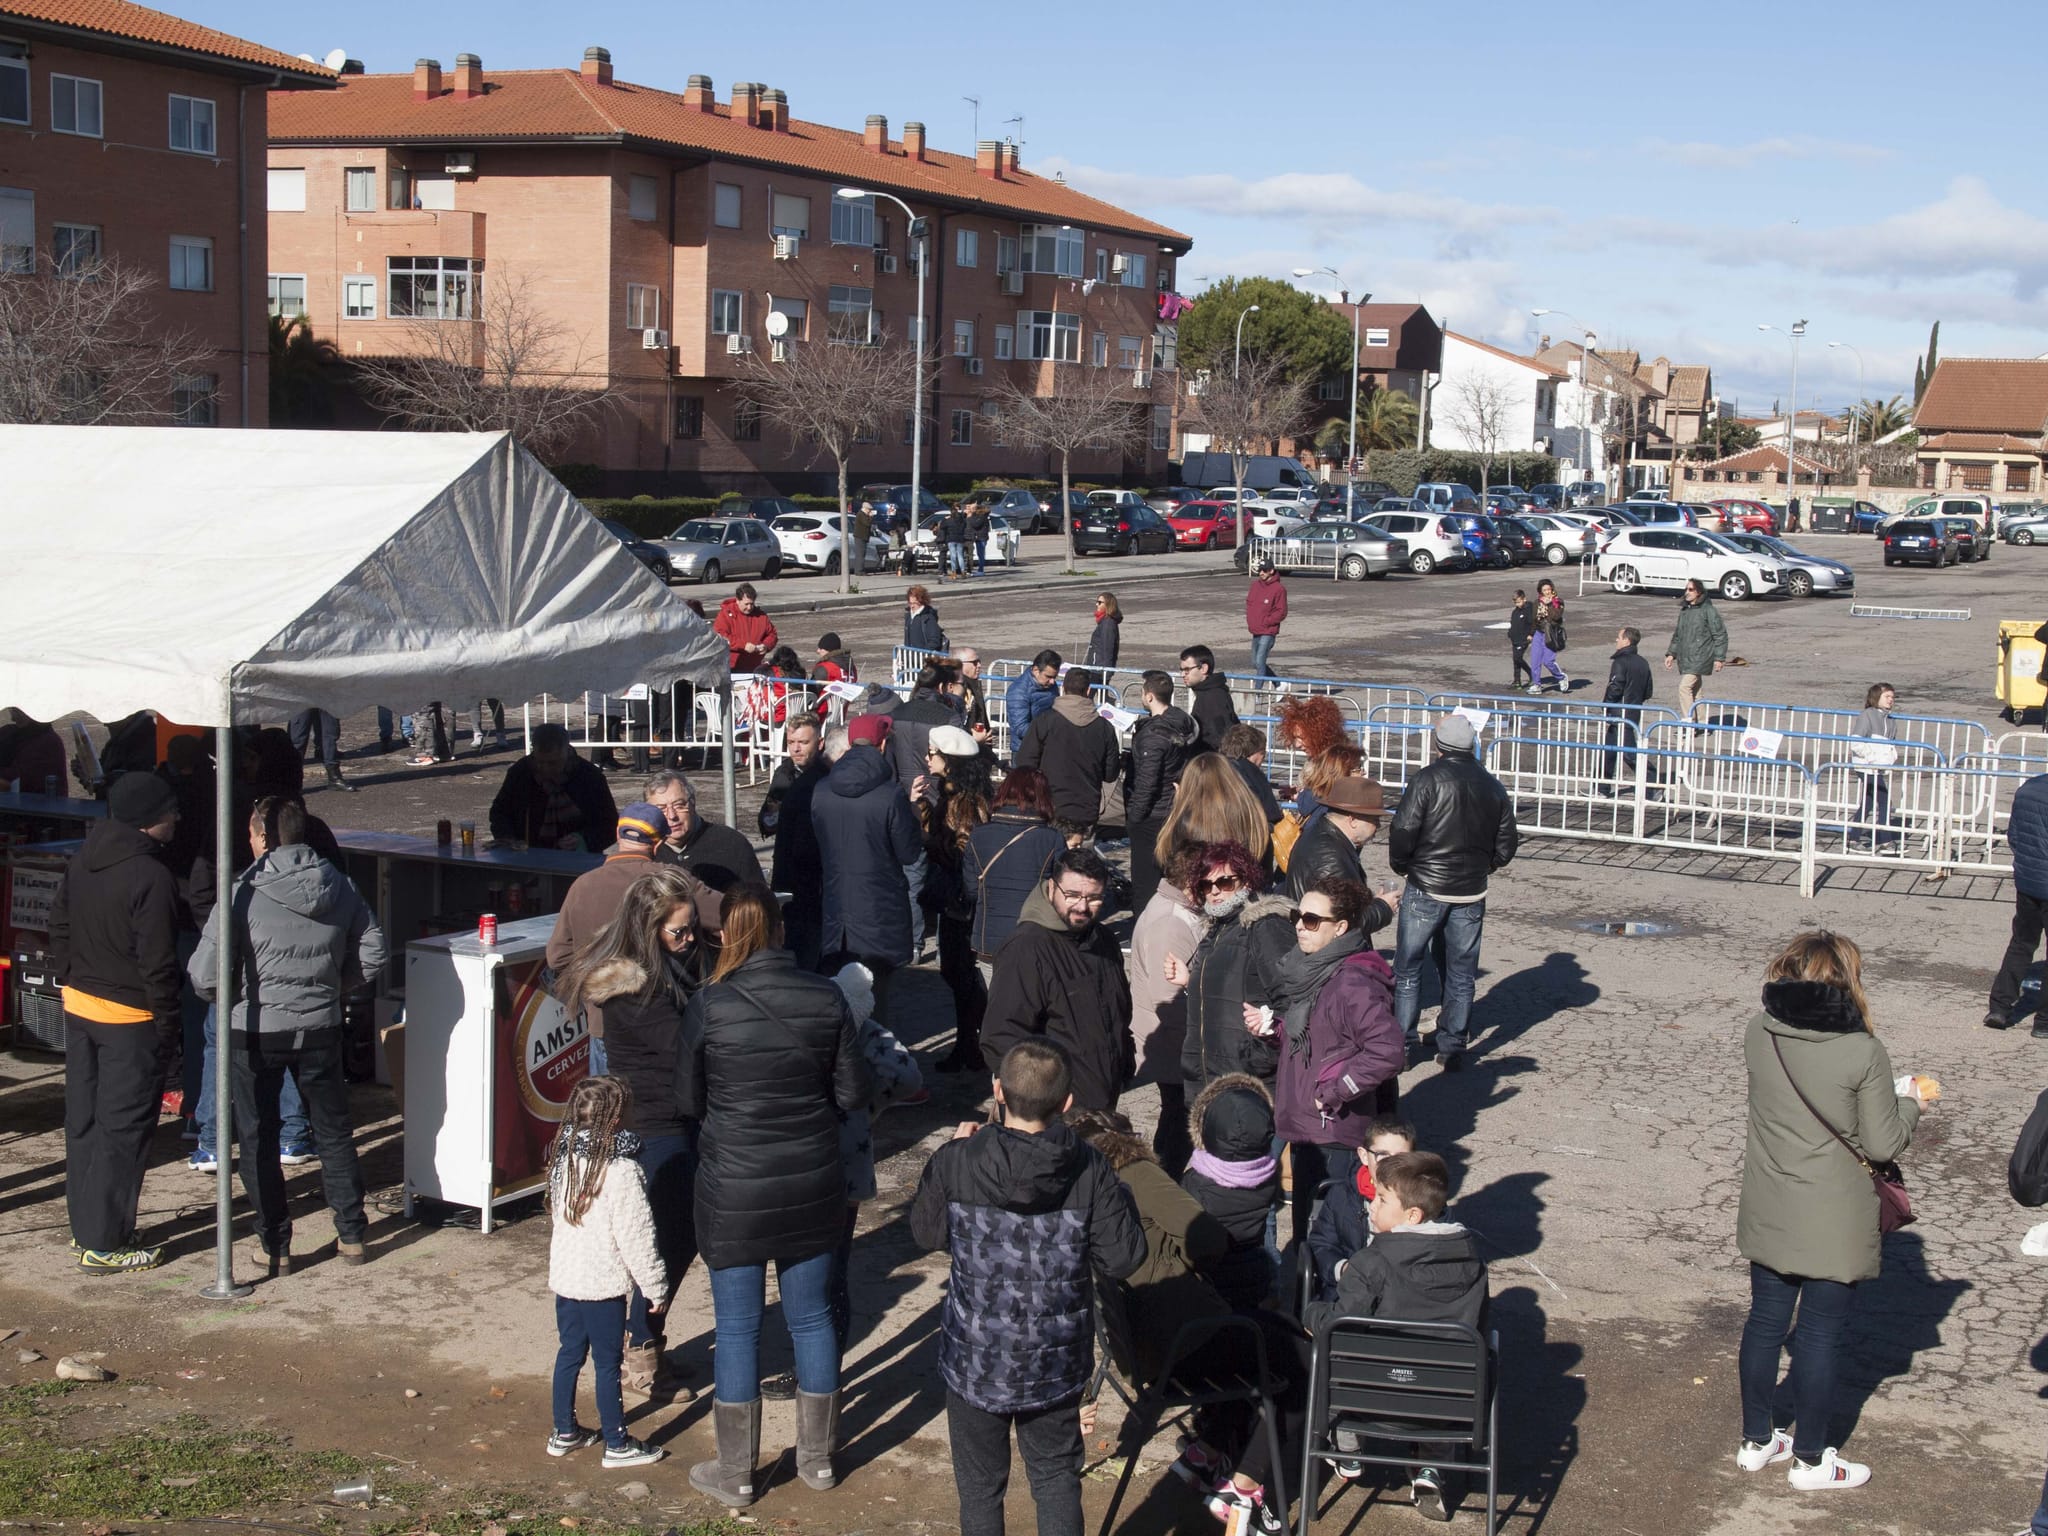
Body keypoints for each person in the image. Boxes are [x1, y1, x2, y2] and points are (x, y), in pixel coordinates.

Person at [678, 883, 872, 1506]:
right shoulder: (826, 996)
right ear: (781, 931)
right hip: (812, 1177)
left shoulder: (709, 1004)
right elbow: (853, 1093)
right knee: (811, 1317)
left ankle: (737, 1472)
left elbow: (688, 1100)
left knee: (737, 1328)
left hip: (733, 1183)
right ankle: (818, 1461)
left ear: (725, 936)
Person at [910, 1041, 1146, 1536]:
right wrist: (1118, 1196)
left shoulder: (958, 1160)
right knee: (1056, 1478)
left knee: (980, 1490)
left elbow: (927, 1234)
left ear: (998, 1091)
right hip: (1055, 1362)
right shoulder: (1089, 1167)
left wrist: (947, 1157)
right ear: (1066, 1102)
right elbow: (1123, 1258)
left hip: (976, 1359)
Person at [1737, 930, 1931, 1492]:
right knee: (1819, 1336)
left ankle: (1756, 1441)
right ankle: (1812, 1460)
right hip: (1834, 1215)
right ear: (1845, 981)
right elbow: (1883, 1143)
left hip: (1770, 1202)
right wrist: (1911, 1102)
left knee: (1765, 1323)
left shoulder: (1760, 1031)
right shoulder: (1862, 1051)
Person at [191, 795, 385, 1273]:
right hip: (320, 1027)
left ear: (261, 837)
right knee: (334, 1132)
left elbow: (204, 974)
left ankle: (275, 1244)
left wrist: (233, 996)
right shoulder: (339, 883)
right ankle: (352, 1234)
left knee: (258, 1138)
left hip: (256, 1029)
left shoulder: (241, 890)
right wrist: (332, 988)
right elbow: (374, 952)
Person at [554, 863, 706, 1399]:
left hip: (673, 1118)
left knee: (675, 1237)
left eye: (691, 928)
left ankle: (645, 1341)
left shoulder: (670, 969)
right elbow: (687, 1050)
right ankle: (639, 1351)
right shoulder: (637, 991)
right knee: (663, 1240)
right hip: (655, 1124)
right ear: (650, 928)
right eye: (680, 931)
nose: (690, 939)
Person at [1298, 1150, 1489, 1522]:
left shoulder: (1372, 1263)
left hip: (1372, 1401)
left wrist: (1311, 1313)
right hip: (1452, 1405)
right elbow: (1479, 1332)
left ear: (1412, 1215)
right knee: (1442, 1363)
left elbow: (1340, 1325)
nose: (1372, 1205)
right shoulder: (1472, 1263)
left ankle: (1347, 1447)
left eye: (1382, 1199)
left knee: (1332, 1354)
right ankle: (1432, 1464)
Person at [52, 772, 186, 1272]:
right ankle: (106, 1242)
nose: (177, 817)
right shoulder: (151, 876)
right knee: (123, 1131)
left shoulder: (84, 857)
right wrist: (168, 1027)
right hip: (131, 1018)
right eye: (170, 810)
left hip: (80, 1006)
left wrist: (70, 975)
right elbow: (158, 963)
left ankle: (88, 1228)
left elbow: (58, 923)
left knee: (84, 1123)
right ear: (149, 818)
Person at [1270, 877, 1404, 1251]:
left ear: (1340, 927)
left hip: (1334, 1132)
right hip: (1307, 1126)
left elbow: (1388, 1050)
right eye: (1297, 916)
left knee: (1325, 1242)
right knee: (1307, 1237)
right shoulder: (1312, 969)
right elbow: (1322, 1038)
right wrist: (1275, 1029)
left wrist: (1336, 1090)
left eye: (1312, 920)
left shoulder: (1353, 982)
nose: (1300, 925)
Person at [545, 1075, 668, 1470]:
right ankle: (617, 1442)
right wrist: (655, 1286)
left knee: (569, 1352)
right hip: (602, 1285)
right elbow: (637, 1235)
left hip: (568, 1278)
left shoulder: (564, 1157)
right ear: (618, 1119)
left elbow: (558, 1216)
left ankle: (564, 1431)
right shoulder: (622, 1170)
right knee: (607, 1363)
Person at [1388, 715, 1518, 1072]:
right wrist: (1485, 866)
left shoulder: (1427, 779)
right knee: (1461, 970)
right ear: (1472, 745)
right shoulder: (1492, 785)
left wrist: (1403, 865)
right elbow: (1507, 843)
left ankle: (1403, 1046)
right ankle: (1453, 1045)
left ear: (1439, 746)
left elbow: (1403, 829)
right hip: (1470, 890)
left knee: (1408, 966)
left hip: (1427, 884)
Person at [981, 848, 1132, 1111]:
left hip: (1101, 1100)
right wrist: (1036, 1105)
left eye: (1094, 898)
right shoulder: (1026, 947)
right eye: (1072, 895)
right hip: (1051, 1110)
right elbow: (1002, 1036)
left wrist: (1124, 1062)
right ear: (1052, 888)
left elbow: (1118, 1014)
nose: (1082, 906)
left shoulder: (1104, 941)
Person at [546, 804, 688, 1078]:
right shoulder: (666, 882)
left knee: (609, 1102)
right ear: (658, 844)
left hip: (603, 1025)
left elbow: (558, 956)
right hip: (662, 1023)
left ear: (618, 835)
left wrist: (600, 989)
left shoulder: (583, 885)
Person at [827, 963, 922, 1360]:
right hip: (851, 1167)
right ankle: (828, 1359)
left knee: (808, 1273)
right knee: (836, 1268)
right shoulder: (867, 1034)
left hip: (803, 1166)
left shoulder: (811, 1028)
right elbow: (908, 1076)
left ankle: (815, 1359)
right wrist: (873, 1104)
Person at [1163, 840, 1294, 1104]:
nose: (1215, 891)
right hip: (1207, 1078)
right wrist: (1191, 981)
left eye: (1224, 882)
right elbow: (1228, 992)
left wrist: (1262, 1048)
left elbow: (1292, 997)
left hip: (1248, 1079)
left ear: (1245, 880)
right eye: (1206, 885)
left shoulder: (1264, 926)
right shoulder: (1216, 929)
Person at [813, 717, 922, 1021]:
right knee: (876, 1003)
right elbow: (909, 853)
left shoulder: (821, 790)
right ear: (883, 744)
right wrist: (913, 814)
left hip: (836, 912)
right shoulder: (890, 794)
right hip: (880, 912)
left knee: (838, 1002)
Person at [1128, 845, 1206, 1175]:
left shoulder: (1178, 910)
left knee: (1177, 1119)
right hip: (1175, 1047)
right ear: (1191, 881)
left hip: (1174, 1045)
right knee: (1180, 1122)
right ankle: (1163, 1184)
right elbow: (1168, 999)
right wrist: (1205, 1035)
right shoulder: (1171, 922)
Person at [1179, 1073, 1281, 1312]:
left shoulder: (1196, 1181)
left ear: (1208, 1129)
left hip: (1213, 1280)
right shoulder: (1267, 1175)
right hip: (1255, 1275)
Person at [966, 768, 1069, 980]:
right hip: (1035, 937)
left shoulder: (978, 835)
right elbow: (1061, 894)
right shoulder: (1053, 839)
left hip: (989, 939)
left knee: (995, 997)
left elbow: (971, 891)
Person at [1304, 1114, 1416, 1302]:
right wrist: (1343, 1268)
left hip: (1403, 1297)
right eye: (1382, 1155)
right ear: (1364, 1156)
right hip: (1346, 1293)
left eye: (1401, 1158)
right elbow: (1321, 1245)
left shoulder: (1423, 1198)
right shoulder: (1341, 1196)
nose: (1390, 1165)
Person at [1124, 669, 1201, 916]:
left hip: (1153, 815)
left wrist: (1135, 817)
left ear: (1148, 696)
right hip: (1173, 809)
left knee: (1145, 881)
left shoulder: (1154, 736)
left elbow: (1147, 782)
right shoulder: (1182, 723)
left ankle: (1146, 924)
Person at [1014, 667, 1120, 833]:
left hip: (1048, 806)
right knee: (1080, 848)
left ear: (1063, 688)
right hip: (1086, 808)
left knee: (1049, 847)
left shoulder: (1045, 721)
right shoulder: (1105, 728)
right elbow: (1110, 773)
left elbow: (1024, 762)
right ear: (1088, 691)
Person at [489, 724, 619, 852]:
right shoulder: (522, 772)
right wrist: (508, 839)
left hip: (577, 858)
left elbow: (609, 824)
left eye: (553, 763)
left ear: (567, 751)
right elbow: (499, 812)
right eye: (540, 762)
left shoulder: (589, 777)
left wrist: (582, 839)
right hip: (526, 854)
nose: (545, 768)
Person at [761, 718, 827, 967]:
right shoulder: (784, 773)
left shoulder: (826, 775)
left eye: (803, 742)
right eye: (791, 742)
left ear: (819, 743)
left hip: (818, 872)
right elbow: (767, 821)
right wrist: (773, 813)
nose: (796, 748)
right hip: (788, 867)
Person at [1155, 751, 1274, 884]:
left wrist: (1178, 807)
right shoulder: (1252, 817)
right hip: (1247, 888)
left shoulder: (1186, 822)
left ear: (1189, 785)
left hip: (1198, 890)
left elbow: (1170, 863)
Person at [1988, 769, 2048, 1032]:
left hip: (2027, 881)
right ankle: (2044, 1021)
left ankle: (1999, 1007)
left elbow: (2014, 836)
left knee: (2021, 943)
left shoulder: (2028, 789)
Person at [1285, 775, 1395, 913]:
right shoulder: (1331, 856)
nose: (1378, 826)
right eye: (1374, 819)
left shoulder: (1321, 834)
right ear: (1353, 821)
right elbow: (1346, 917)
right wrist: (1383, 907)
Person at [644, 770, 764, 892]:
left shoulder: (731, 843)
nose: (671, 816)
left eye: (679, 805)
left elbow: (758, 899)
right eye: (661, 810)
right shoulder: (645, 852)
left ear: (693, 803)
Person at [1598, 626, 1654, 792]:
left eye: (1619, 637)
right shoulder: (1643, 662)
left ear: (1627, 641)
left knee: (1629, 753)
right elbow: (1648, 691)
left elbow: (1615, 687)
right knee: (1608, 751)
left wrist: (1606, 704)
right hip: (1632, 711)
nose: (1617, 640)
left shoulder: (1620, 662)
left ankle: (1653, 783)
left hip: (1621, 713)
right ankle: (1601, 788)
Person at [1665, 577, 1728, 722]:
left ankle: (1689, 722)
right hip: (1687, 657)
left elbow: (1720, 635)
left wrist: (1719, 658)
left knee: (1684, 687)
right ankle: (1703, 723)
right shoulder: (1685, 611)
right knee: (1696, 691)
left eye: (1691, 589)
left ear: (1699, 592)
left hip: (1701, 657)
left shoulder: (1708, 611)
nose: (1687, 592)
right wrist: (1671, 654)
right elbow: (1678, 634)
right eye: (1686, 589)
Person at [1850, 681, 1900, 851]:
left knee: (1868, 803)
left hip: (1878, 768)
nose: (1891, 700)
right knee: (1884, 800)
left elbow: (1890, 746)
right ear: (1876, 697)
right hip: (1866, 766)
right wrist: (1872, 758)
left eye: (1892, 697)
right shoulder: (1867, 715)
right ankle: (1885, 840)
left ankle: (1853, 839)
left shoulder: (1890, 720)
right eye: (1887, 696)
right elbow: (1856, 742)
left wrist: (1890, 758)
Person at [1220, 723, 1286, 828]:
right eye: (1263, 753)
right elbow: (1271, 815)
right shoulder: (1252, 773)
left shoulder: (1215, 769)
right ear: (1255, 753)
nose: (1263, 759)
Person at [1181, 644, 1240, 753]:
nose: (1183, 674)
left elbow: (1220, 738)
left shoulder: (1213, 697)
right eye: (1182, 670)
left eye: (1187, 670)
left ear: (1203, 668)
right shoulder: (1206, 692)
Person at [713, 584, 778, 675]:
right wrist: (743, 645)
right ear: (738, 600)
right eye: (746, 604)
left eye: (752, 604)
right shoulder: (725, 614)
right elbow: (720, 636)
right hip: (731, 668)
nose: (749, 607)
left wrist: (766, 645)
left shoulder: (761, 616)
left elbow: (772, 634)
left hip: (754, 668)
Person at [287, 708, 354, 793]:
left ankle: (335, 778)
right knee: (298, 739)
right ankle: (293, 781)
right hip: (302, 701)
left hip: (327, 701)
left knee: (330, 733)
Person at [1004, 650, 1062, 746]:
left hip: (1048, 744)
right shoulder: (1018, 691)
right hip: (1026, 748)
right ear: (1036, 670)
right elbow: (1020, 728)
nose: (1052, 681)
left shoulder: (1051, 685)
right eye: (1048, 676)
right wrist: (1049, 734)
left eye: (1054, 677)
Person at [1246, 560, 1288, 681]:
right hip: (1256, 629)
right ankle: (1278, 683)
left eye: (1264, 570)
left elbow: (1281, 612)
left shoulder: (1279, 589)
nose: (1261, 573)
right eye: (1260, 570)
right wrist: (1251, 620)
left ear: (1271, 571)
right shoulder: (1255, 586)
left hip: (1268, 631)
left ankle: (1257, 691)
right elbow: (1249, 604)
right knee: (1255, 662)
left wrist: (1266, 621)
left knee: (1260, 661)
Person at [1527, 577, 1569, 693]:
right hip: (1539, 633)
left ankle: (1561, 678)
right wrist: (1531, 633)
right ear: (1540, 591)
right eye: (1544, 590)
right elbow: (1534, 619)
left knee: (1548, 661)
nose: (1547, 592)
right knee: (1535, 661)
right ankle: (1537, 685)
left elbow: (1556, 617)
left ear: (1552, 589)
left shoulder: (1558, 602)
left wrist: (1550, 604)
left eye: (1548, 589)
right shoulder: (1537, 603)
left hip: (1551, 634)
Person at [953, 647, 992, 737]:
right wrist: (974, 738)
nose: (979, 665)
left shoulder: (973, 684)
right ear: (960, 664)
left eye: (979, 661)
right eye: (974, 662)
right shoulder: (957, 688)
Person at [904, 584, 948, 652]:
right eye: (910, 603)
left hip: (923, 656)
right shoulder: (909, 616)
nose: (912, 606)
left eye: (915, 603)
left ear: (922, 601)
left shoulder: (928, 617)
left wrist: (922, 653)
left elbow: (935, 641)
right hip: (911, 656)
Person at [1508, 588, 1535, 690]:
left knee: (1518, 658)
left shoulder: (1529, 610)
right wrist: (1510, 633)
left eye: (1519, 602)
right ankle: (1517, 681)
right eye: (1516, 603)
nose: (1517, 604)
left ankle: (1531, 673)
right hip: (1515, 638)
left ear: (1524, 599)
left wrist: (1531, 634)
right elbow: (1513, 623)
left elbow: (1533, 623)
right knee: (1515, 660)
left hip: (1524, 638)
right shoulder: (1515, 612)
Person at [1085, 592, 1121, 670]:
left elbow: (1108, 648)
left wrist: (1107, 670)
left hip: (1099, 668)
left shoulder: (1108, 623)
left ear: (1108, 604)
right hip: (1096, 665)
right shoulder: (1104, 621)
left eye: (1099, 602)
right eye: (1097, 602)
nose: (1096, 604)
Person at [942, 502, 971, 580]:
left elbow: (942, 526)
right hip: (960, 539)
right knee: (960, 556)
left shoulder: (949, 520)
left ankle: (954, 572)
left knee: (953, 556)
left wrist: (945, 519)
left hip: (951, 539)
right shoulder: (962, 521)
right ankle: (963, 572)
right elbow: (965, 525)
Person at [967, 500, 992, 577]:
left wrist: (969, 518)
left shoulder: (982, 516)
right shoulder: (980, 516)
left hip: (981, 537)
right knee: (980, 554)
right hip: (979, 537)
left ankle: (981, 570)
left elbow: (976, 524)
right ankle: (980, 569)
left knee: (981, 554)